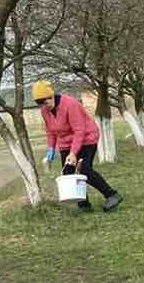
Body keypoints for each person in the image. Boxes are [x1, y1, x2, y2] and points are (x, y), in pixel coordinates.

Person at [32, 80, 122, 213]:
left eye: (45, 102)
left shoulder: (70, 104)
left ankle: (112, 195)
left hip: (86, 138)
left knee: (83, 169)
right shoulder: (45, 110)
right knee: (68, 172)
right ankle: (84, 205)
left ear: (51, 96)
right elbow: (50, 130)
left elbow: (79, 130)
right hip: (65, 142)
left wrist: (73, 153)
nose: (44, 106)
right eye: (40, 104)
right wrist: (50, 149)